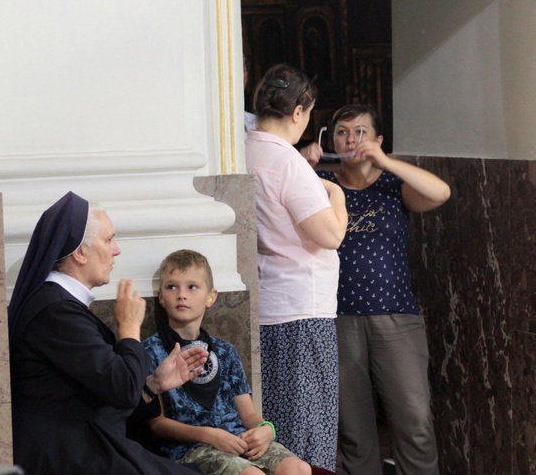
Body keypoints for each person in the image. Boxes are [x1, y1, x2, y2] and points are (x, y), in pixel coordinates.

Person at [8, 192, 209, 474]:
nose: (117, 250)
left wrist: (153, 385)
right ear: (80, 252)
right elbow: (122, 389)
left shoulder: (59, 306)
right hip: (67, 454)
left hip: (85, 443)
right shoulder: (55, 312)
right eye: (108, 239)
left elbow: (104, 391)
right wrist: (128, 326)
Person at [311, 104, 449, 474]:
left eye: (361, 132)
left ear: (378, 140)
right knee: (354, 429)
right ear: (332, 139)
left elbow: (440, 193)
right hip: (337, 318)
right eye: (342, 132)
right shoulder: (321, 187)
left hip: (397, 318)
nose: (351, 139)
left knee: (414, 420)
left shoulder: (393, 186)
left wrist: (386, 162)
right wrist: (305, 165)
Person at [245, 63, 348, 470]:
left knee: (278, 425)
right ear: (299, 112)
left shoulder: (245, 148)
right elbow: (330, 235)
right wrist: (336, 193)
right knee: (307, 432)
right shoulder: (287, 161)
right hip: (301, 309)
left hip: (268, 302)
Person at [143, 249, 312, 475]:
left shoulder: (225, 351)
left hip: (237, 439)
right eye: (172, 287)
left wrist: (265, 430)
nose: (181, 295)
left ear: (211, 297)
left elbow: (248, 414)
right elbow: (157, 425)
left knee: (298, 469)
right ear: (161, 297)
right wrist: (209, 435)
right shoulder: (150, 350)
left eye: (192, 287)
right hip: (190, 449)